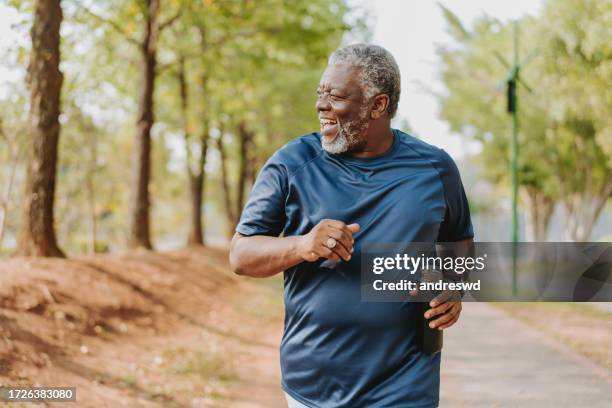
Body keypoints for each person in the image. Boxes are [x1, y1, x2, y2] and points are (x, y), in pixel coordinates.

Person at [229, 44, 474, 408]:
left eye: (336, 96)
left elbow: (460, 243)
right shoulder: (292, 164)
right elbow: (241, 254)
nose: (321, 106)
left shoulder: (435, 168)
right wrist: (302, 245)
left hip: (406, 382)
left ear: (378, 105)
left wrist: (454, 289)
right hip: (314, 384)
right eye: (320, 94)